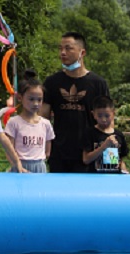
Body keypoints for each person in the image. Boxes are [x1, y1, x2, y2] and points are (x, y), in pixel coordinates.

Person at [41, 32, 110, 173]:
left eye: (68, 48)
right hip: (59, 154)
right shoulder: (51, 82)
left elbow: (108, 122)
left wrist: (111, 159)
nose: (63, 52)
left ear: (82, 52)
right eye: (60, 48)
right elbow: (42, 119)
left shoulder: (98, 84)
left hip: (90, 154)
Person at [3, 71, 54, 173]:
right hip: (19, 166)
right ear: (20, 98)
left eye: (39, 100)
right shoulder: (14, 123)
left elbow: (47, 151)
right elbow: (9, 151)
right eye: (31, 99)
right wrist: (18, 166)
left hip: (39, 167)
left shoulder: (46, 124)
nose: (35, 103)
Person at [82, 96, 128, 174]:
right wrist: (103, 146)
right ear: (94, 115)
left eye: (107, 116)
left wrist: (123, 167)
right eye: (100, 116)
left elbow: (121, 159)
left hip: (114, 177)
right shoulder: (89, 133)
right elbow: (86, 160)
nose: (103, 119)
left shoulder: (119, 135)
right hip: (94, 177)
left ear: (113, 114)